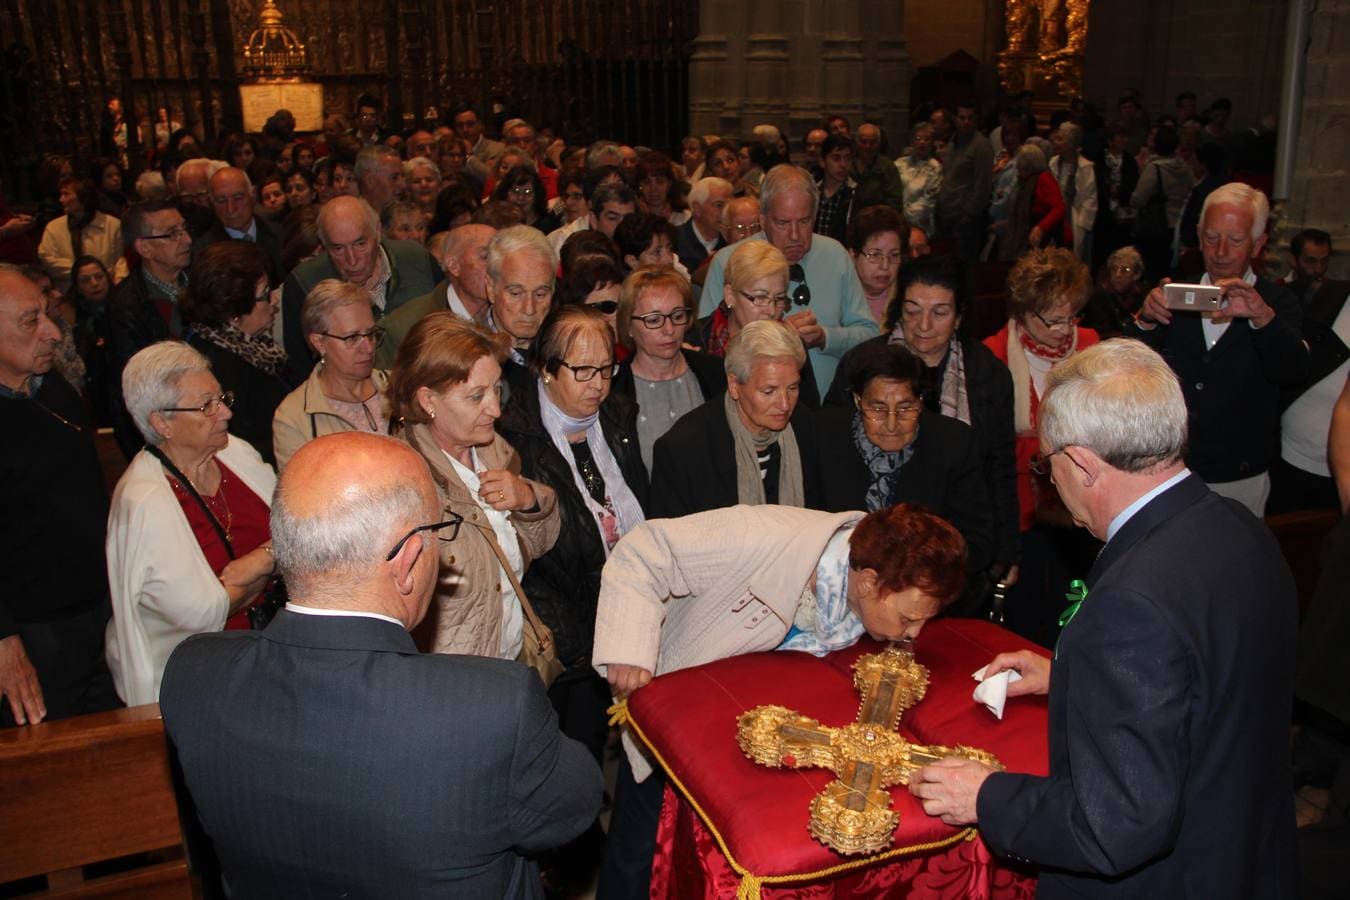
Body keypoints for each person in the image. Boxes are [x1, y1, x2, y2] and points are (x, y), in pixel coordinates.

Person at [909, 339, 1298, 900]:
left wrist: (986, 796)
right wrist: (1070, 672)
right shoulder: (1240, 526)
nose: (1049, 482)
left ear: (1084, 465)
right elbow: (1210, 684)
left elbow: (1114, 826)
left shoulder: (1129, 607)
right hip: (1243, 855)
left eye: (1047, 465)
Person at [159, 431, 601, 897]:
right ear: (408, 561)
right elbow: (575, 806)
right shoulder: (492, 706)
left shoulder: (193, 674)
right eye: (437, 533)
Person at [593, 502, 968, 897]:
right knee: (640, 851)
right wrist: (628, 647)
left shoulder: (867, 571)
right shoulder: (761, 536)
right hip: (678, 717)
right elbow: (644, 549)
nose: (914, 633)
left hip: (747, 731)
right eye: (909, 619)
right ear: (868, 582)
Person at [495, 304, 648, 767]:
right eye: (582, 371)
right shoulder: (515, 436)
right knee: (569, 759)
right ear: (545, 369)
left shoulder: (617, 418)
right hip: (563, 636)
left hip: (622, 612)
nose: (598, 385)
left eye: (606, 369)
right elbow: (528, 550)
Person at [828, 254, 1019, 603]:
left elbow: (1001, 466)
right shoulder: (863, 363)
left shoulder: (986, 374)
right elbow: (830, 448)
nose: (924, 325)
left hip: (951, 551)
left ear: (959, 316)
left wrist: (1006, 552)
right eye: (913, 310)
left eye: (940, 312)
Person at [106, 342, 278, 706]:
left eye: (222, 397)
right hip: (202, 684)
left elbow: (297, 527)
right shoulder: (144, 501)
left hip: (271, 654)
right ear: (161, 423)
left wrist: (260, 560)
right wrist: (276, 562)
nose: (227, 413)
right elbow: (202, 612)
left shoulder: (235, 453)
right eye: (207, 406)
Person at [387, 313, 561, 657]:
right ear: (428, 400)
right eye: (476, 396)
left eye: (497, 389)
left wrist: (528, 500)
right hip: (450, 683)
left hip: (508, 662)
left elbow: (540, 544)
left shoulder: (494, 450)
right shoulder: (401, 481)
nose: (495, 409)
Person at [1133, 182, 1308, 516]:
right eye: (1211, 238)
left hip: (1240, 475)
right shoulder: (1173, 294)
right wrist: (1145, 321)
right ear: (1199, 239)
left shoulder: (1278, 303)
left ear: (1258, 245)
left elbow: (1294, 370)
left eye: (1236, 240)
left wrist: (1262, 319)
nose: (1221, 251)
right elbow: (1132, 367)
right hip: (1171, 469)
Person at [0, 266, 121, 726]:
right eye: (31, 321)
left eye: (48, 315)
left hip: (97, 610)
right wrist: (4, 643)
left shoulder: (52, 388)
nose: (52, 333)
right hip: (34, 634)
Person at [984, 247, 1100, 646]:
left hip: (1081, 510)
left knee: (1075, 611)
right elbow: (991, 449)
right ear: (1023, 313)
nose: (1064, 329)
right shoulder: (994, 354)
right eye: (1052, 319)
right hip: (1021, 514)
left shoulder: (1090, 346)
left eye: (1071, 316)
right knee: (1026, 615)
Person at [817, 340, 993, 582]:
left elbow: (977, 541)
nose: (891, 424)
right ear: (858, 401)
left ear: (920, 401)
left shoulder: (954, 444)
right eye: (878, 409)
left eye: (905, 408)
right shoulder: (824, 436)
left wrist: (912, 579)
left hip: (925, 588)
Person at [698, 164, 879, 396]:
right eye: (782, 223)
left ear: (816, 216)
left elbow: (870, 335)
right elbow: (709, 350)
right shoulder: (728, 261)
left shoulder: (835, 255)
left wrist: (826, 337)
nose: (795, 235)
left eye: (804, 222)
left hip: (829, 407)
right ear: (763, 220)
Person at [649, 319, 822, 517]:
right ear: (734, 385)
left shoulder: (804, 425)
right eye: (769, 391)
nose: (785, 404)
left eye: (793, 388)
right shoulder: (683, 449)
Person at [280, 195, 441, 380]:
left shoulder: (417, 260)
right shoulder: (304, 283)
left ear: (378, 232)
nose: (352, 259)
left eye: (360, 244)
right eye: (338, 249)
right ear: (323, 245)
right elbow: (300, 369)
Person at [182, 241, 293, 466]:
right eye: (264, 294)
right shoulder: (216, 369)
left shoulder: (252, 345)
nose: (274, 300)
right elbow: (243, 446)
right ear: (234, 312)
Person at [610, 267, 725, 470]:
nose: (669, 330)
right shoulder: (613, 389)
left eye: (678, 316)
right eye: (653, 320)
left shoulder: (715, 373)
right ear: (628, 326)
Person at [108, 199, 195, 456]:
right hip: (167, 430)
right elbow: (130, 388)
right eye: (172, 234)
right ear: (144, 247)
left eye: (184, 229)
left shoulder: (202, 283)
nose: (187, 239)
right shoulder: (126, 306)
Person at [272, 280, 391, 469]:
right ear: (319, 342)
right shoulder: (294, 418)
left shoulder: (397, 386)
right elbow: (302, 494)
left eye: (370, 334)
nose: (368, 348)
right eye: (352, 338)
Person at [377, 222, 496, 365]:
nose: (497, 267)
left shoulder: (512, 314)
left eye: (500, 257)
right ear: (454, 265)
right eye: (485, 257)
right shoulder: (407, 329)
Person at [38, 177, 129, 292]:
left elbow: (121, 259)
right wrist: (84, 272)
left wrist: (118, 282)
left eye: (66, 194)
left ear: (84, 197)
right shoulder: (54, 228)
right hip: (67, 293)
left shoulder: (112, 225)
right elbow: (48, 260)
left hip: (107, 292)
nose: (61, 200)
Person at [195, 166, 285, 280]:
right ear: (211, 203)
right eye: (221, 201)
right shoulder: (204, 251)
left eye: (238, 198)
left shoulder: (279, 234)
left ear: (252, 195)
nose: (230, 208)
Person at [1130, 125, 1192, 280]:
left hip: (1156, 226)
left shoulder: (1154, 168)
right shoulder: (1184, 167)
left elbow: (1138, 199)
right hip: (1178, 224)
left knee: (1152, 271)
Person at [936, 102, 994, 263]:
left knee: (963, 265)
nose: (966, 122)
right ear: (955, 119)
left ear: (976, 120)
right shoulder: (953, 142)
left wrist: (968, 213)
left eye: (970, 118)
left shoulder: (981, 146)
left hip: (965, 219)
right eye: (962, 118)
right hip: (947, 213)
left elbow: (983, 185)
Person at [993, 144, 1068, 262]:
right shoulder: (1024, 182)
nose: (1017, 171)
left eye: (1020, 168)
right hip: (1028, 237)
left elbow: (1059, 208)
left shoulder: (1043, 178)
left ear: (1029, 167)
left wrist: (1040, 228)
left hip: (1044, 241)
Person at [847, 204, 907, 324]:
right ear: (853, 256)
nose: (885, 266)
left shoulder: (907, 300)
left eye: (894, 255)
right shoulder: (836, 296)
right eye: (875, 255)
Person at [1048, 122, 1097, 262]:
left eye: (1060, 139)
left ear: (1071, 144)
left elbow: (1090, 199)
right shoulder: (1052, 163)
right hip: (1054, 217)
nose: (1055, 142)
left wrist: (1082, 226)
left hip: (1074, 220)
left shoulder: (1085, 167)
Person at [895, 122, 942, 255]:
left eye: (926, 139)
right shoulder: (899, 163)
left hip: (922, 225)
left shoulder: (935, 167)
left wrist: (906, 218)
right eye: (918, 138)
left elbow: (929, 201)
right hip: (897, 223)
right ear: (911, 141)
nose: (922, 142)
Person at [1082, 245, 1149, 337]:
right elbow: (1101, 334)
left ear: (1137, 274)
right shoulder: (1098, 297)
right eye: (1114, 269)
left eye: (1125, 270)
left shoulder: (1144, 295)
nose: (1117, 274)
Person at [672, 176, 730, 273]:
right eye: (719, 205)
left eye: (729, 205)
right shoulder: (674, 240)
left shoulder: (732, 241)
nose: (726, 212)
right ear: (697, 209)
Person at [813, 134, 857, 245]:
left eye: (848, 158)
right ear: (822, 161)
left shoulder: (856, 194)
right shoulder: (812, 191)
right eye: (836, 158)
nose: (843, 164)